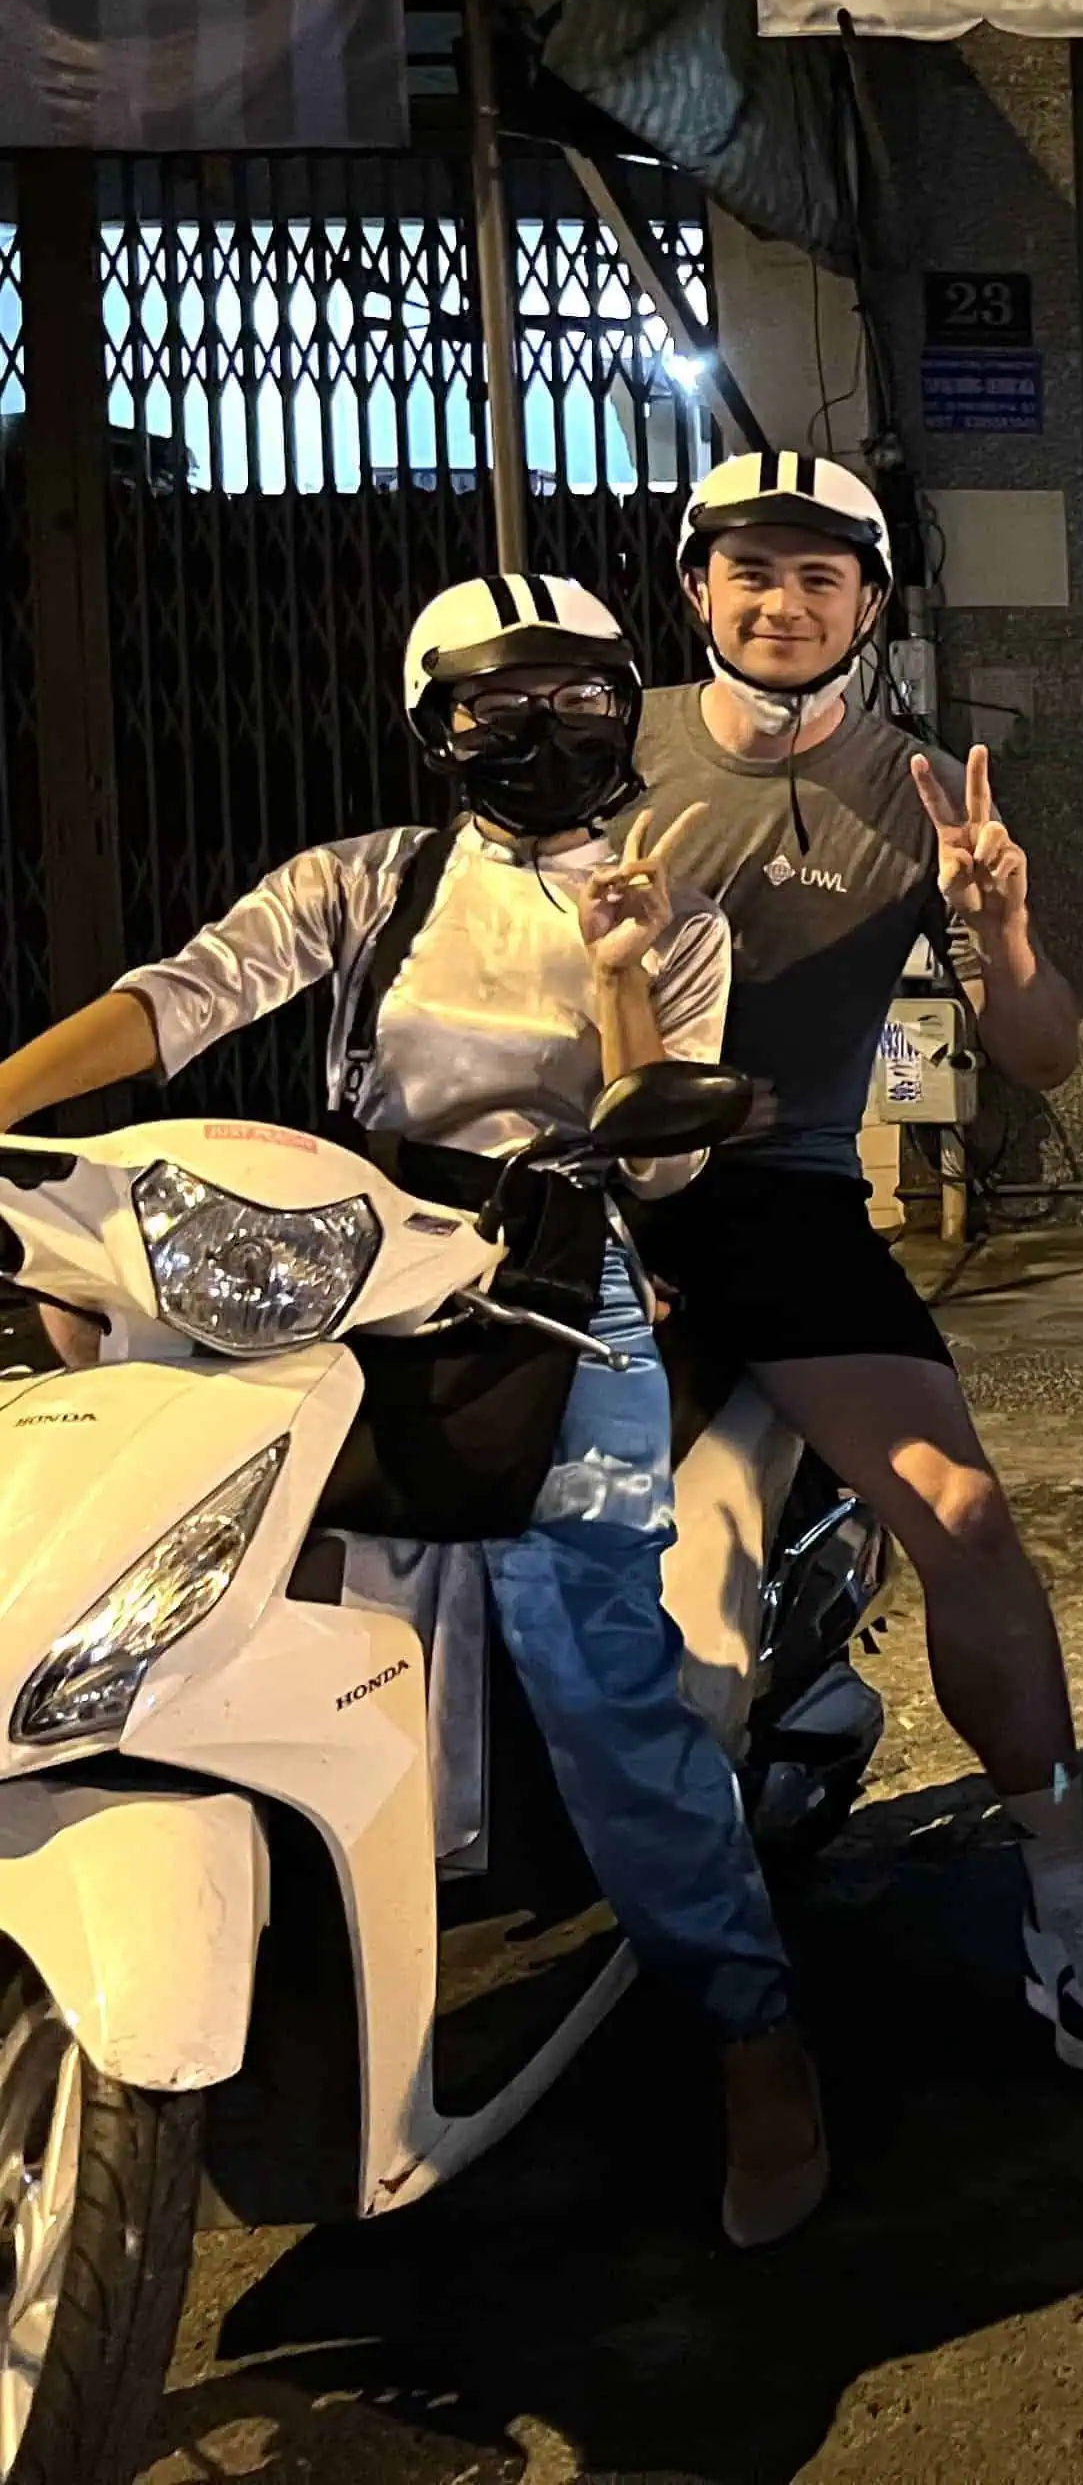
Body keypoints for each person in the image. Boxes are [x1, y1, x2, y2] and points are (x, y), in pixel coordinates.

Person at [0, 577, 826, 2246]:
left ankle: (755, 2032)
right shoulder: (366, 877)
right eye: (495, 707)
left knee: (602, 1681)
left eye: (582, 701)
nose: (541, 734)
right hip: (342, 1252)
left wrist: (619, 968)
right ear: (434, 726)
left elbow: (656, 1154)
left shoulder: (677, 907)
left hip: (551, 1273)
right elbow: (185, 994)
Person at [627, 453, 1083, 2070]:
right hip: (573, 1187)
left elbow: (1049, 1055)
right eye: (752, 573)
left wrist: (997, 927)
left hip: (772, 1201)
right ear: (696, 585)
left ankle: (1066, 1884)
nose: (783, 605)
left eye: (820, 578)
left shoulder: (926, 789)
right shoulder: (606, 743)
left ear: (870, 601)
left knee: (969, 1510)